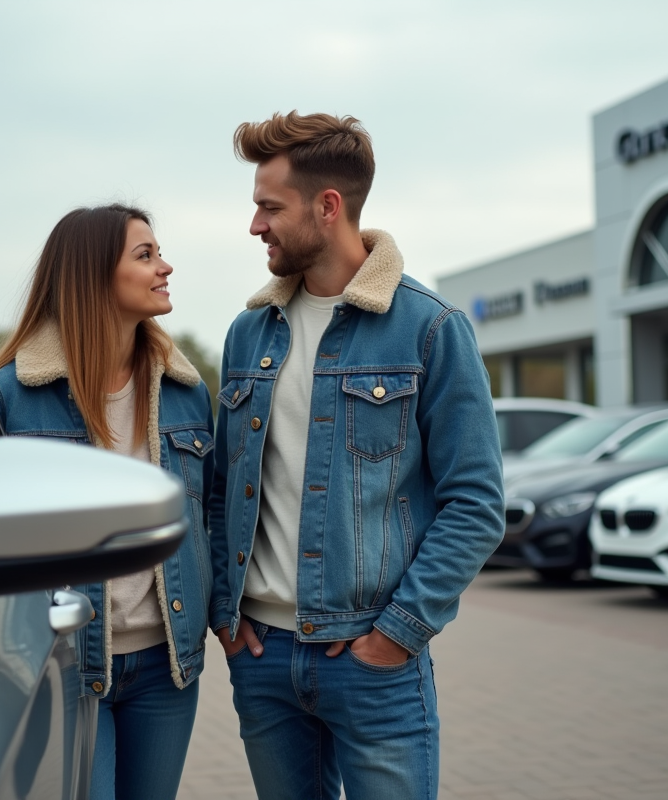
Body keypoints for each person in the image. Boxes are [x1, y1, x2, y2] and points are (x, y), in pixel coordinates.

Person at [209, 112, 505, 800]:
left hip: (371, 662)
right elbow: (220, 488)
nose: (256, 225)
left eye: (268, 207)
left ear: (328, 206)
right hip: (262, 659)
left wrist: (398, 633)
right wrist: (227, 613)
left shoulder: (429, 328)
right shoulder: (248, 334)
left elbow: (477, 502)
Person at [0, 204, 214, 800]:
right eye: (145, 255)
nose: (165, 266)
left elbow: (207, 515)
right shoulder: (10, 397)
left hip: (167, 670)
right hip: (59, 670)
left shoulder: (188, 394)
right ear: (92, 276)